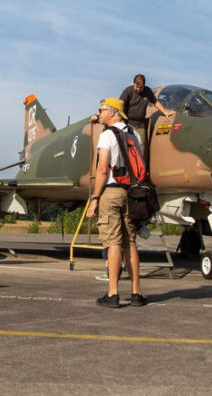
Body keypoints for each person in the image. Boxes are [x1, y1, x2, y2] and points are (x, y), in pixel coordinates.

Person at [85, 97, 146, 308]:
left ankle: (113, 294)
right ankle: (137, 293)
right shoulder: (134, 134)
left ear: (112, 112)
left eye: (101, 110)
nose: (99, 114)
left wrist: (94, 199)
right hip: (131, 193)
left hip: (111, 193)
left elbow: (102, 169)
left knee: (113, 243)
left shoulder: (107, 135)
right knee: (131, 242)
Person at [118, 74, 173, 146]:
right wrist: (120, 119)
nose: (138, 89)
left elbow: (155, 102)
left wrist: (165, 112)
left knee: (142, 146)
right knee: (127, 146)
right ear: (133, 84)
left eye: (140, 87)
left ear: (144, 85)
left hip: (140, 125)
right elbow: (120, 103)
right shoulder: (128, 91)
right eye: (136, 87)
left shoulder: (148, 91)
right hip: (128, 123)